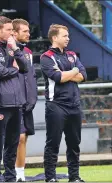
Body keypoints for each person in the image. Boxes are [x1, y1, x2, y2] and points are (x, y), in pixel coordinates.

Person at [0, 16, 28, 182]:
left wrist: (16, 49)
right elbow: (0, 72)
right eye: (8, 30)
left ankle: (10, 176)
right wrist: (14, 69)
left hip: (16, 103)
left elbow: (25, 68)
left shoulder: (11, 47)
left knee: (12, 143)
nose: (11, 33)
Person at [40, 24, 87, 182]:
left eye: (68, 36)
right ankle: (51, 178)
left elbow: (83, 75)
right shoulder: (46, 57)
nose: (68, 38)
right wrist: (74, 71)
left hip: (74, 105)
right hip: (56, 106)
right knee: (53, 144)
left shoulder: (72, 54)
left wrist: (68, 73)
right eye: (65, 36)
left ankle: (74, 177)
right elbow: (58, 78)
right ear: (54, 38)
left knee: (74, 144)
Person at [12, 19, 38, 182]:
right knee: (18, 137)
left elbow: (31, 76)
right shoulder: (7, 50)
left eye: (28, 31)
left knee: (24, 138)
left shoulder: (28, 51)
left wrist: (32, 97)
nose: (28, 34)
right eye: (25, 31)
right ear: (14, 33)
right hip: (12, 102)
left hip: (27, 102)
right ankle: (12, 173)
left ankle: (20, 174)